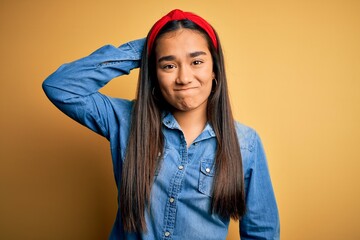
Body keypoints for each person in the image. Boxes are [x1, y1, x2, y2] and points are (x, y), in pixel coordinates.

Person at [43, 9, 279, 240]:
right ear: (153, 74)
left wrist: (167, 48)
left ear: (215, 69)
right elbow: (60, 87)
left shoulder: (246, 143)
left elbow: (262, 232)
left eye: (196, 61)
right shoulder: (125, 120)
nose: (184, 78)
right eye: (168, 65)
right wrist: (147, 49)